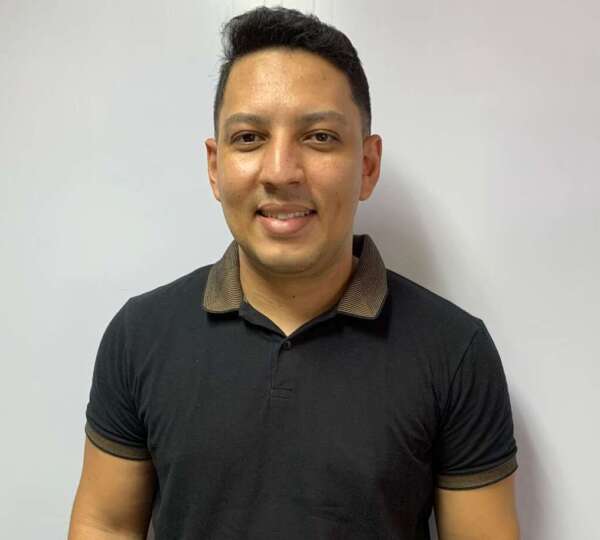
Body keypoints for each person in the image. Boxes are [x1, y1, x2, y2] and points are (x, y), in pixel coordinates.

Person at [68, 6, 519, 539]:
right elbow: (105, 524)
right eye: (249, 138)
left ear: (367, 166)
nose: (281, 171)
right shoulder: (140, 335)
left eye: (319, 137)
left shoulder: (454, 350)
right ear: (215, 167)